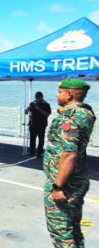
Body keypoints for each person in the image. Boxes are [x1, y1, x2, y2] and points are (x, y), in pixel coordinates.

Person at [44, 78, 96, 247]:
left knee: (60, 231)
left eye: (60, 92)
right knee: (73, 227)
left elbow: (69, 154)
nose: (57, 95)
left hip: (66, 184)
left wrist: (58, 186)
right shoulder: (86, 112)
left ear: (70, 94)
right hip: (78, 179)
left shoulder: (70, 118)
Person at [25, 91, 52, 157]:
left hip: (42, 125)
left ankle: (39, 153)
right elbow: (26, 113)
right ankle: (32, 152)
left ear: (42, 97)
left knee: (41, 139)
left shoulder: (46, 104)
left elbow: (47, 114)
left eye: (38, 98)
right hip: (32, 124)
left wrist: (39, 109)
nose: (37, 100)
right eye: (36, 98)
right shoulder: (32, 103)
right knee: (32, 139)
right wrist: (27, 109)